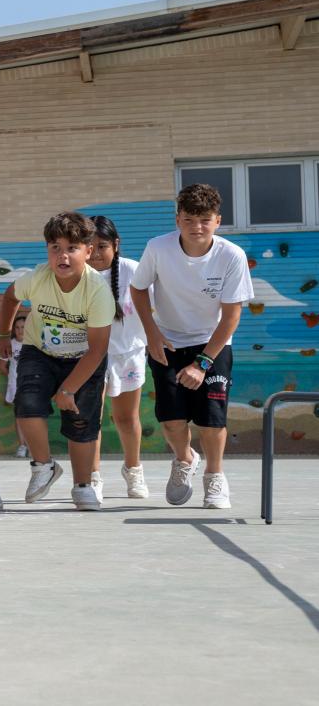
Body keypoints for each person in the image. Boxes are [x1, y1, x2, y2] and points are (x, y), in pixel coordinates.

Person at [130, 184, 253, 509]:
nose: (196, 227)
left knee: (212, 419)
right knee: (172, 419)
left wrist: (201, 363)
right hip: (167, 341)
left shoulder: (231, 255)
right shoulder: (158, 248)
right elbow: (138, 289)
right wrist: (152, 334)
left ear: (217, 221)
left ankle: (215, 479)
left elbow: (231, 316)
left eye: (204, 219)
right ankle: (184, 459)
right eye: (189, 219)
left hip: (212, 343)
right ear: (177, 219)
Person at [0, 212, 116, 511]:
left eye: (72, 248)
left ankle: (83, 486)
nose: (63, 256)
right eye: (55, 248)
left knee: (81, 424)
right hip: (40, 352)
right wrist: (2, 335)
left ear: (88, 252)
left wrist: (68, 389)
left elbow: (98, 349)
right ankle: (43, 466)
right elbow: (11, 296)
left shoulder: (98, 292)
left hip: (84, 359)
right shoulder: (37, 278)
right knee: (28, 404)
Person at [88, 216, 149, 498]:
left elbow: (154, 311)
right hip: (89, 356)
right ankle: (92, 476)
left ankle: (133, 470)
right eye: (90, 247)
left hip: (128, 354)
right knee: (91, 419)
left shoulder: (134, 271)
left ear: (116, 244)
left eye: (102, 246)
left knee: (126, 418)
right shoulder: (77, 274)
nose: (96, 254)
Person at [0, 314, 29, 458]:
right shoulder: (9, 344)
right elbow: (2, 366)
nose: (20, 330)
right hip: (16, 387)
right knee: (19, 416)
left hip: (32, 386)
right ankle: (22, 446)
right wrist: (12, 377)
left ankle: (34, 446)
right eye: (17, 328)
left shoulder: (34, 344)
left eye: (23, 327)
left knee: (33, 416)